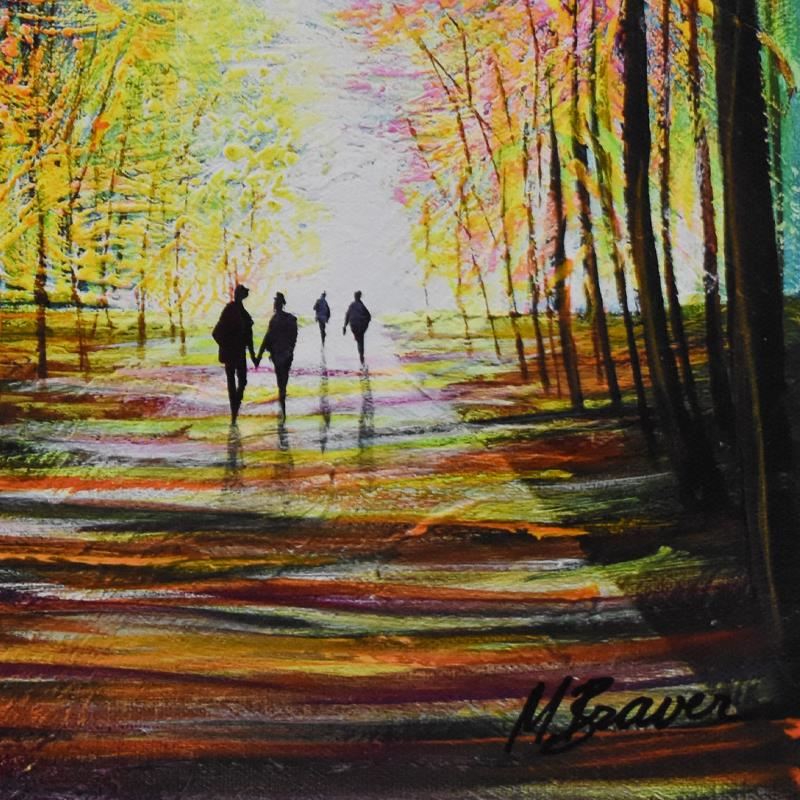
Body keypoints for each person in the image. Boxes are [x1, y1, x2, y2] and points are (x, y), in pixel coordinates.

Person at [212, 284, 257, 424]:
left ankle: (235, 409)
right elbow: (216, 333)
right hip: (233, 353)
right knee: (234, 383)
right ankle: (234, 412)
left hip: (238, 353)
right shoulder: (230, 310)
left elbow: (248, 337)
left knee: (241, 382)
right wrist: (227, 345)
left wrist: (253, 355)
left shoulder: (241, 313)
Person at [257, 292, 298, 419]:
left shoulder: (275, 320)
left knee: (281, 380)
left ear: (277, 305)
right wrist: (290, 349)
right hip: (286, 354)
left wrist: (259, 356)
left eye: (276, 303)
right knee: (283, 379)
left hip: (278, 354)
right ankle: (282, 405)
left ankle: (282, 406)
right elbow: (293, 337)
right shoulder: (290, 319)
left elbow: (267, 338)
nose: (275, 305)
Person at [343, 290, 371, 364]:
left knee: (359, 340)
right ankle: (361, 357)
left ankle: (361, 356)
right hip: (360, 326)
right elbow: (368, 316)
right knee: (360, 341)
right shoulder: (361, 305)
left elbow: (347, 316)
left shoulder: (352, 305)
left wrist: (345, 326)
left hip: (354, 326)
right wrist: (365, 325)